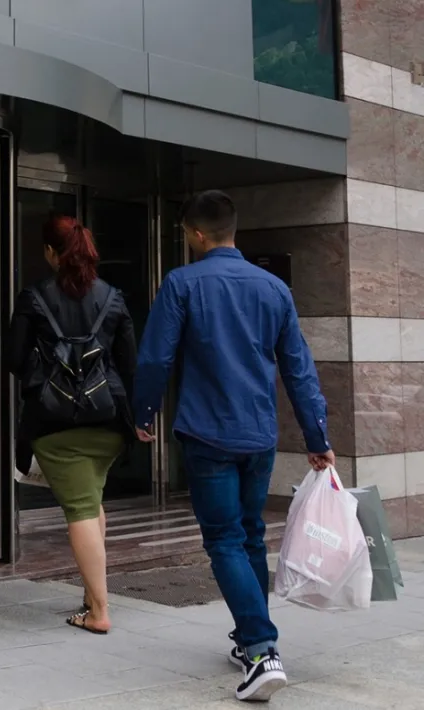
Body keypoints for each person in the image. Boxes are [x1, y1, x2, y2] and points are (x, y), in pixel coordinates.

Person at [132, 190, 333, 702]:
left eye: (185, 233)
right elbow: (298, 368)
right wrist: (317, 437)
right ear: (232, 230)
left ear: (198, 234)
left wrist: (143, 412)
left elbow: (156, 358)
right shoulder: (273, 288)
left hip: (206, 433)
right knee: (247, 537)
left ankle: (263, 649)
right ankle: (250, 643)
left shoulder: (182, 283)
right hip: (259, 434)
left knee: (223, 539)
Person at [6, 215, 137, 635]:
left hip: (57, 424)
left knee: (79, 509)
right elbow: (130, 364)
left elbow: (13, 359)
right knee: (91, 502)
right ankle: (89, 596)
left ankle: (98, 611)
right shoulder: (114, 298)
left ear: (49, 252)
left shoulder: (34, 298)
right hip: (109, 420)